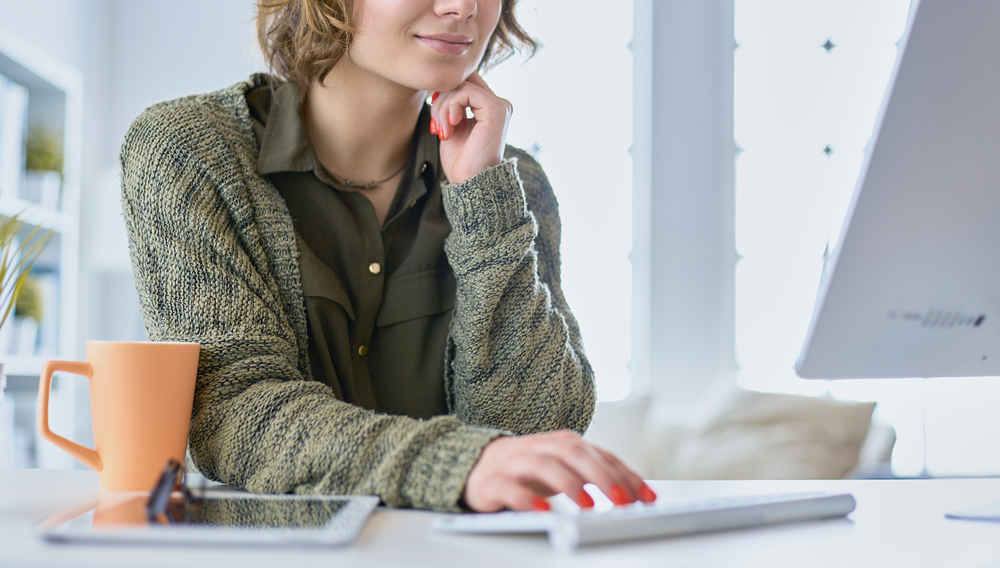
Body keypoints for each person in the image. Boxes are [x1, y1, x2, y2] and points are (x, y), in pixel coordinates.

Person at [120, 0, 656, 513]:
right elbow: (230, 413)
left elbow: (533, 431)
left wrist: (483, 199)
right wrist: (458, 464)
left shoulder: (507, 180)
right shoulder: (189, 151)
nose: (462, 6)